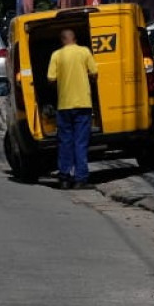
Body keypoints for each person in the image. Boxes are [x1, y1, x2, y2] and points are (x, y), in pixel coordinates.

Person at [47, 25, 100, 190]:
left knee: (65, 142)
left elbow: (50, 78)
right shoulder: (84, 52)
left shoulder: (57, 55)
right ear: (75, 39)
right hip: (83, 104)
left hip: (64, 105)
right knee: (80, 142)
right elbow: (94, 73)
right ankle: (80, 179)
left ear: (62, 40)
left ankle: (64, 177)